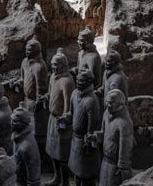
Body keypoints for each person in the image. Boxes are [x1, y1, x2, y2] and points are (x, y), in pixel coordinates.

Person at [45, 50, 74, 186]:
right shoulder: (52, 77)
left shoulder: (67, 82)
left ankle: (65, 181)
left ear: (63, 65)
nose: (53, 67)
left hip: (61, 121)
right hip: (52, 118)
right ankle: (57, 177)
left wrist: (65, 119)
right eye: (52, 65)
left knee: (62, 154)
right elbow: (51, 94)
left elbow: (68, 105)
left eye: (56, 65)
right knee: (52, 151)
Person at [68, 70, 101, 186]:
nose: (78, 82)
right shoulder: (74, 94)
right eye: (77, 80)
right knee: (76, 174)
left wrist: (88, 142)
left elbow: (93, 126)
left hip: (85, 143)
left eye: (81, 80)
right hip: (75, 140)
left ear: (89, 82)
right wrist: (65, 118)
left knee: (87, 176)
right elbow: (71, 113)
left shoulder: (91, 100)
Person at [97, 89, 133, 186]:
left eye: (111, 103)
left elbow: (125, 147)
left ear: (120, 104)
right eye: (107, 102)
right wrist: (95, 137)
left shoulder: (124, 123)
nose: (108, 105)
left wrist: (122, 166)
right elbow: (103, 133)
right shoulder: (106, 114)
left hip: (115, 167)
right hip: (105, 161)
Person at [11, 104, 41, 186]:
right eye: (12, 119)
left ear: (23, 124)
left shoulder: (27, 146)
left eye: (15, 121)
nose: (11, 123)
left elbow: (34, 179)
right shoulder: (17, 136)